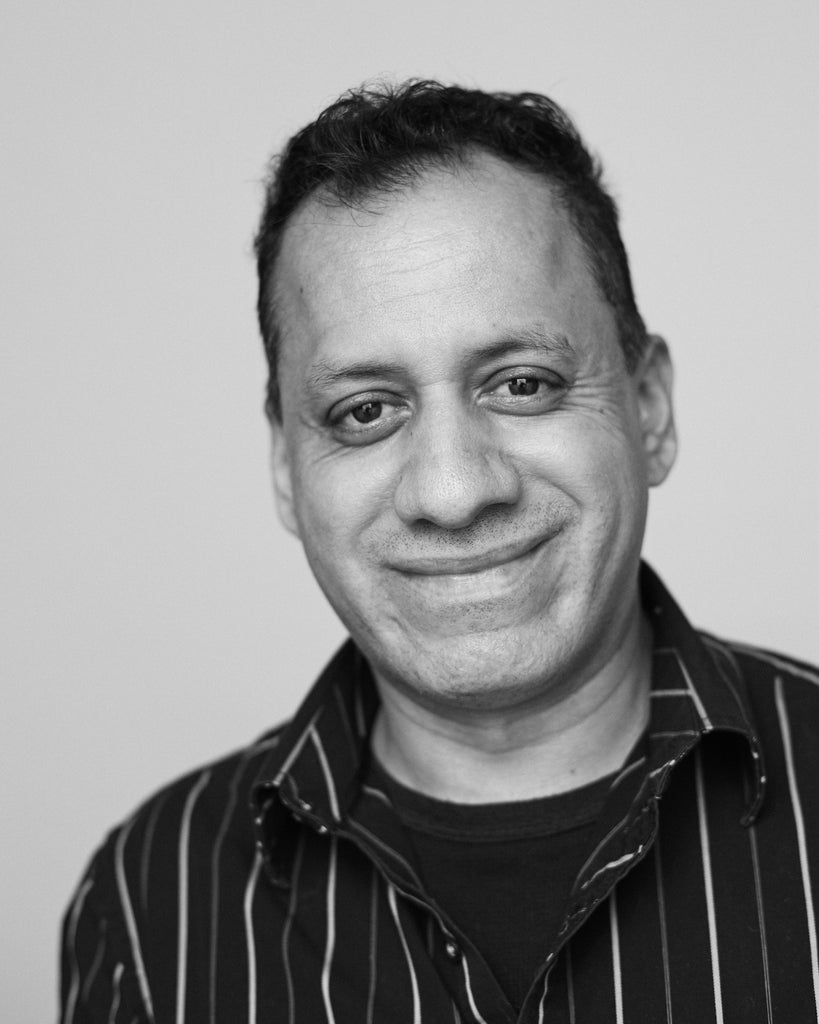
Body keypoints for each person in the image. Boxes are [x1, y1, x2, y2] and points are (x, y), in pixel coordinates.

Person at [60, 80, 819, 1023]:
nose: (454, 493)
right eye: (364, 411)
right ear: (287, 469)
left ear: (650, 409)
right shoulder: (148, 904)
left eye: (522, 383)